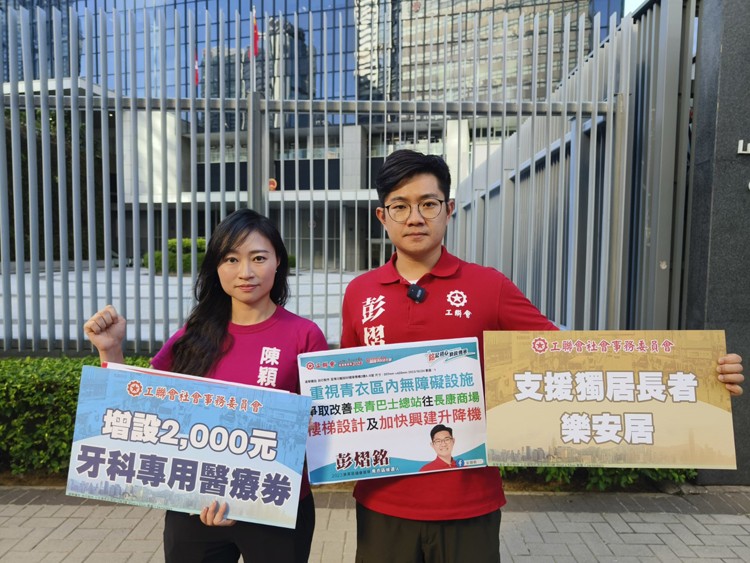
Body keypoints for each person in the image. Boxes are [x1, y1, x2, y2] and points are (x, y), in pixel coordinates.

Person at [340, 149, 745, 563]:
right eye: (400, 206)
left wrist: (699, 374)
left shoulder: (489, 287)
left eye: (428, 204)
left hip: (469, 501)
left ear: (449, 209)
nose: (415, 218)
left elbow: (566, 357)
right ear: (382, 216)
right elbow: (346, 391)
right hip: (382, 500)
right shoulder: (359, 293)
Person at [84, 209, 328, 563]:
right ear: (216, 266)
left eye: (259, 258)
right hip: (195, 507)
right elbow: (136, 407)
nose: (245, 272)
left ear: (278, 261)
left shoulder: (304, 336)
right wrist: (110, 350)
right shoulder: (193, 335)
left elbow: (321, 426)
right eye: (231, 259)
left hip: (276, 506)